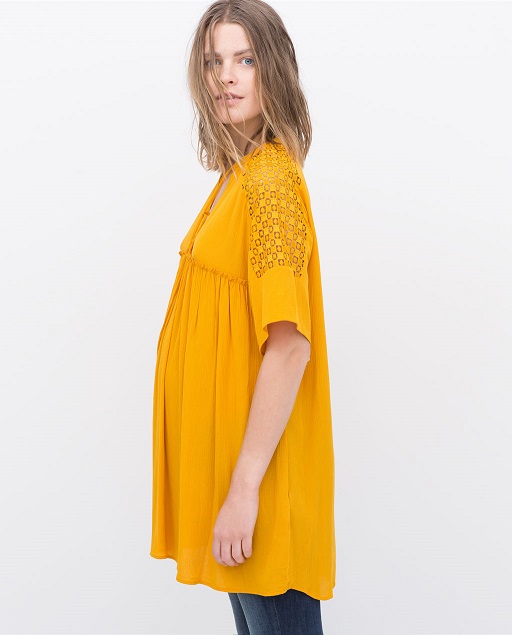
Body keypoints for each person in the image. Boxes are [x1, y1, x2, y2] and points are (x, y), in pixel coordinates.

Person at [150, 1, 335, 633]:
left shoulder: (271, 184)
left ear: (274, 68)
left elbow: (289, 347)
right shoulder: (240, 174)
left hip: (260, 487)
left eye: (245, 59)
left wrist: (244, 488)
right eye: (213, 61)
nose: (226, 76)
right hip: (238, 480)